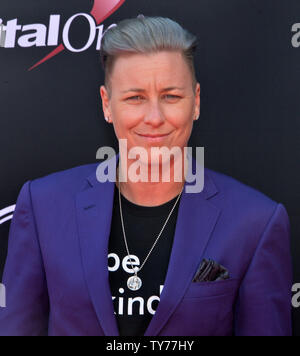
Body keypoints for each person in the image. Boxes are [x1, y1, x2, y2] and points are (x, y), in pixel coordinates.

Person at [0, 16, 293, 336]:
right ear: (107, 104)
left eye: (171, 96)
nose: (154, 117)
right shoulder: (43, 206)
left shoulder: (255, 221)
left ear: (195, 102)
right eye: (135, 97)